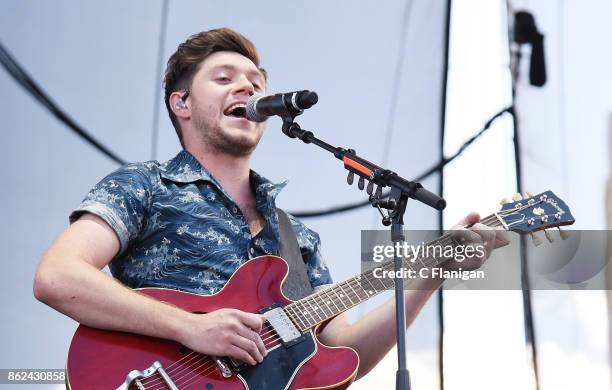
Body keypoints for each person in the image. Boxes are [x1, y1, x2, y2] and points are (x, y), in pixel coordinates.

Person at [33, 28, 504, 380]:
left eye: (255, 82)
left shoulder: (295, 239)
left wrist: (435, 270)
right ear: (181, 104)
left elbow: (344, 353)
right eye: (224, 78)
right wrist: (188, 328)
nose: (247, 88)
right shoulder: (146, 185)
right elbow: (58, 276)